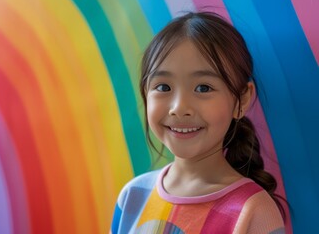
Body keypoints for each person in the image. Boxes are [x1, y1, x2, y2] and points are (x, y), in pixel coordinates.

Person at [110, 12, 285, 234]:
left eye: (203, 88)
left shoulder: (253, 210)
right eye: (163, 87)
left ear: (241, 100)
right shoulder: (133, 196)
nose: (179, 108)